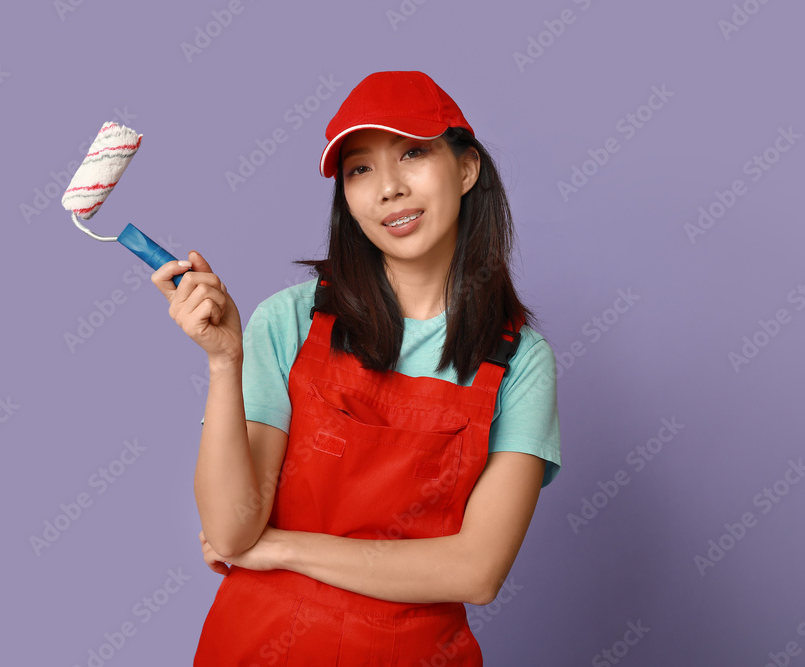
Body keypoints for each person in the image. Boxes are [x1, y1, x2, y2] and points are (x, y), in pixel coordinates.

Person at [151, 70, 561, 666]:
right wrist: (224, 361)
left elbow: (476, 571)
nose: (388, 188)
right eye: (360, 169)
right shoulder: (291, 320)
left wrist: (282, 549)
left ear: (467, 168)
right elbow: (234, 530)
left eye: (412, 154)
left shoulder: (520, 362)